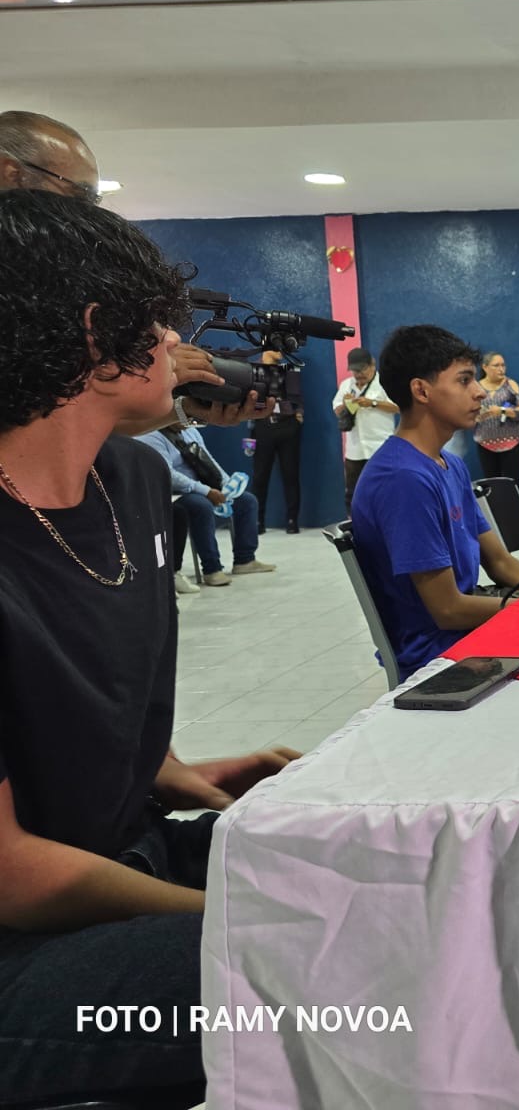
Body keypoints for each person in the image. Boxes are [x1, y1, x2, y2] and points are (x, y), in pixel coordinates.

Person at [0, 189, 298, 1103]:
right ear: (99, 335)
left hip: (125, 851)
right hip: (23, 944)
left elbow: (72, 691)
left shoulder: (129, 479)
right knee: (332, 985)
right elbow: (12, 876)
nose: (177, 346)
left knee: (369, 868)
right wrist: (230, 923)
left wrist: (169, 770)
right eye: (162, 327)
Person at [0, 109, 275, 435]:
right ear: (10, 174)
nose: (89, 213)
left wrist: (182, 409)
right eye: (80, 194)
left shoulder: (50, 275)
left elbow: (64, 429)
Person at [351, 326, 519, 681]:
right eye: (465, 380)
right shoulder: (403, 479)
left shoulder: (449, 465)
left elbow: (498, 561)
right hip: (437, 652)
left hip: (463, 633)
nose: (480, 392)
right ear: (421, 390)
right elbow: (448, 610)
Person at [136, 426, 277, 587]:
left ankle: (245, 560)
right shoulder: (151, 436)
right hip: (177, 492)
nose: (187, 423)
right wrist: (206, 491)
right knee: (201, 507)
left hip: (204, 486)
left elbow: (208, 459)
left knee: (247, 501)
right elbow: (169, 475)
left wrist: (225, 484)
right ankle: (212, 569)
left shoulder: (190, 431)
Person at [332, 347, 398, 514]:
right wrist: (347, 405)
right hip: (355, 449)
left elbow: (397, 407)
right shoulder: (347, 385)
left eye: (362, 370)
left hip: (380, 446)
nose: (358, 374)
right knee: (353, 491)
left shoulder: (384, 383)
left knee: (384, 489)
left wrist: (372, 403)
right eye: (355, 371)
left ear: (372, 365)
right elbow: (336, 409)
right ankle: (354, 523)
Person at [248, 350, 303, 533]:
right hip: (262, 428)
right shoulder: (252, 371)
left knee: (291, 474)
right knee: (260, 476)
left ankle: (292, 520)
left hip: (288, 428)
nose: (281, 351)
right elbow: (249, 403)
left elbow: (295, 401)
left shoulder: (289, 370)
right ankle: (258, 522)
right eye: (276, 347)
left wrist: (296, 414)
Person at [475, 351, 519, 490]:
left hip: (511, 444)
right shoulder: (476, 388)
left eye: (503, 365)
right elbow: (464, 413)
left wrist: (502, 411)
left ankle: (517, 511)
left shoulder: (510, 385)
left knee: (513, 484)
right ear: (485, 367)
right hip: (485, 444)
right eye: (496, 365)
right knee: (492, 485)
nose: (501, 369)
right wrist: (477, 416)